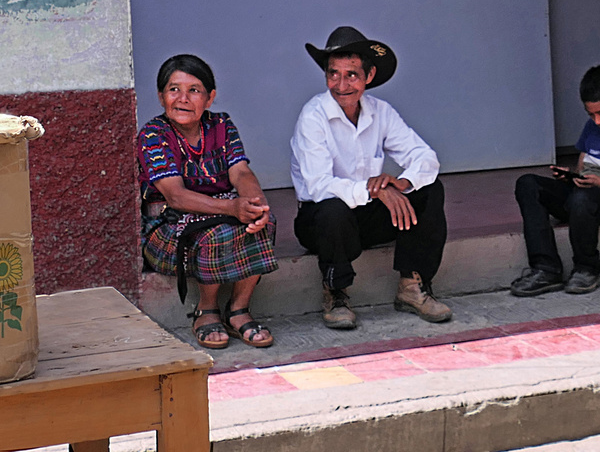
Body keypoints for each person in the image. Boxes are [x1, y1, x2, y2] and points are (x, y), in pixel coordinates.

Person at [290, 25, 450, 329]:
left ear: (369, 76)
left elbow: (425, 157)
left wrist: (401, 184)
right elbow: (318, 185)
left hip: (366, 219)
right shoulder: (313, 116)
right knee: (332, 208)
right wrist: (375, 191)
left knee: (429, 190)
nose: (341, 84)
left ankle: (412, 287)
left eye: (351, 74)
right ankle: (336, 292)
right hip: (321, 223)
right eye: (333, 74)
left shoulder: (381, 112)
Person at [137, 53, 277, 349]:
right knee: (215, 232)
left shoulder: (221, 125)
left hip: (218, 211)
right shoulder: (153, 134)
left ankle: (239, 309)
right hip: (167, 227)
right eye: (174, 89)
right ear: (161, 96)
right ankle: (206, 309)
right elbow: (174, 195)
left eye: (194, 90)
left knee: (263, 223)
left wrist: (256, 205)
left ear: (210, 98)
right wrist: (232, 207)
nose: (183, 98)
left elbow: (240, 170)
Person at [510, 65, 600, 297]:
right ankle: (545, 268)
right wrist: (570, 177)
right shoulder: (592, 128)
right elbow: (582, 168)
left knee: (582, 199)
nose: (597, 121)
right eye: (591, 114)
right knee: (527, 183)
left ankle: (586, 268)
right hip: (584, 195)